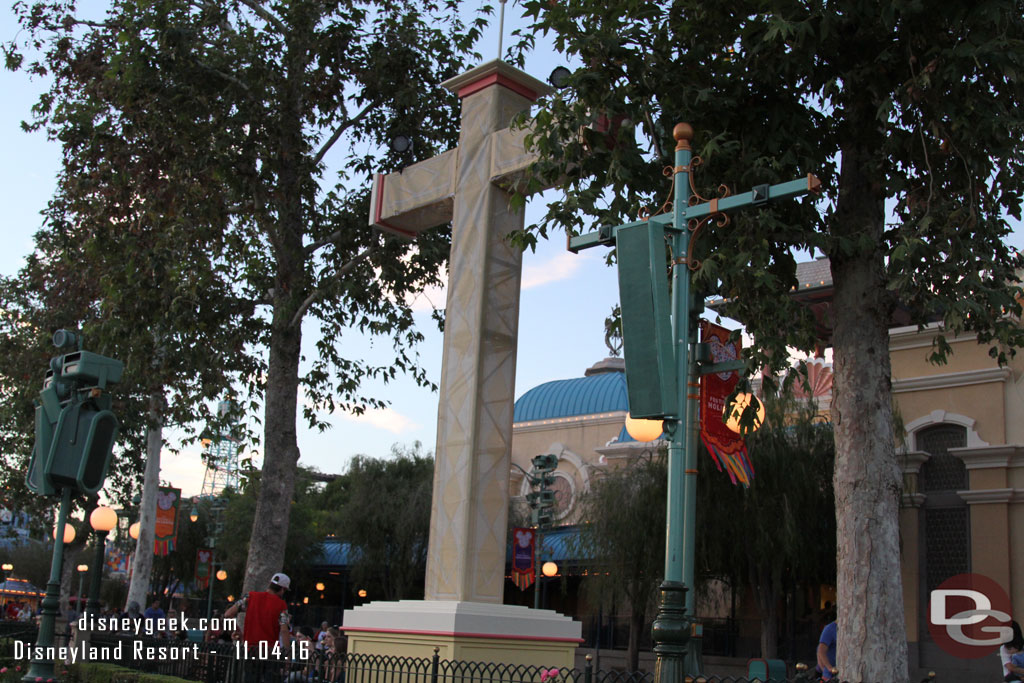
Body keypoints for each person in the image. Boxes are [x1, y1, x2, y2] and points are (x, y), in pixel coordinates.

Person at [224, 572, 292, 650]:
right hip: (269, 651)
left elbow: (228, 614)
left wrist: (237, 630)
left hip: (249, 649)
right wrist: (288, 654)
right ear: (283, 589)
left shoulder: (250, 597)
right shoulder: (282, 605)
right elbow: (284, 630)